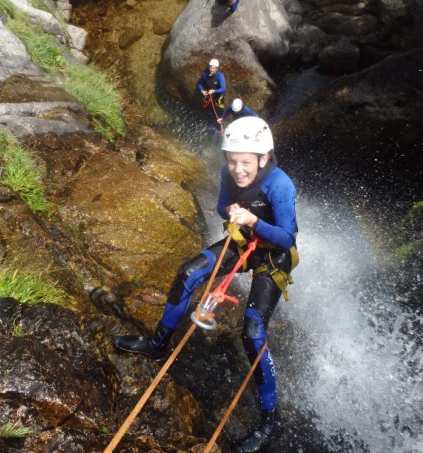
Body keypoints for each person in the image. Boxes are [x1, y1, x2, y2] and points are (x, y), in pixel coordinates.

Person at [114, 117, 300, 452]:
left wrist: (254, 220)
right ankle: (159, 343)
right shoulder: (228, 175)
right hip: (243, 241)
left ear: (263, 158)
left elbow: (287, 236)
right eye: (232, 161)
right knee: (188, 273)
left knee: (253, 331)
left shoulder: (280, 184)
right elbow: (219, 207)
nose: (238, 170)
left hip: (273, 256)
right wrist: (230, 209)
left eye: (246, 162)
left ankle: (271, 421)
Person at [197, 58, 226, 123]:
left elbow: (223, 88)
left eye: (213, 68)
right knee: (209, 112)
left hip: (218, 99)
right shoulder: (205, 74)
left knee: (219, 116)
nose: (211, 70)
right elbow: (200, 84)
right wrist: (202, 90)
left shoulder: (220, 76)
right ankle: (211, 124)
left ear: (217, 69)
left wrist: (214, 91)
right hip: (208, 97)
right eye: (210, 68)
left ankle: (218, 128)